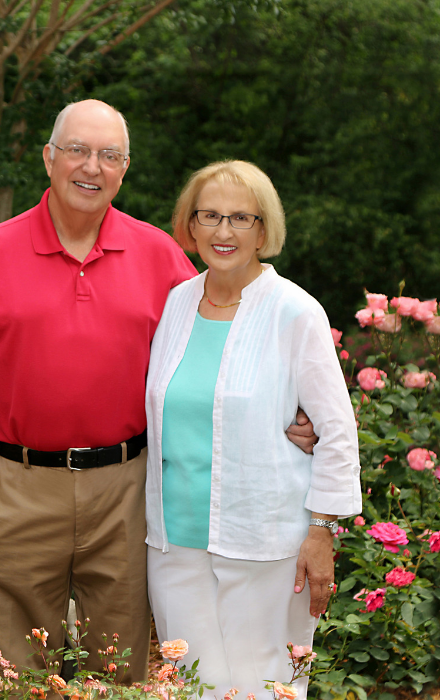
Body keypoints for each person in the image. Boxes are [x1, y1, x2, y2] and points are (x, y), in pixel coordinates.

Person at [0, 100, 316, 681]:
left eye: (109, 155)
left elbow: (228, 340)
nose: (92, 166)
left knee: (119, 669)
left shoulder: (161, 257)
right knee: (20, 673)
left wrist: (296, 407)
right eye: (77, 150)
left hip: (132, 490)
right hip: (20, 487)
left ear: (124, 169)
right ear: (49, 158)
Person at [144, 161, 357, 697]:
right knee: (194, 687)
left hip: (267, 543)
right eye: (209, 215)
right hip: (175, 545)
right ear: (189, 226)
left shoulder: (295, 312)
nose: (223, 232)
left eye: (241, 217)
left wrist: (321, 530)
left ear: (264, 230)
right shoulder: (177, 304)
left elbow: (335, 429)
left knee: (268, 688)